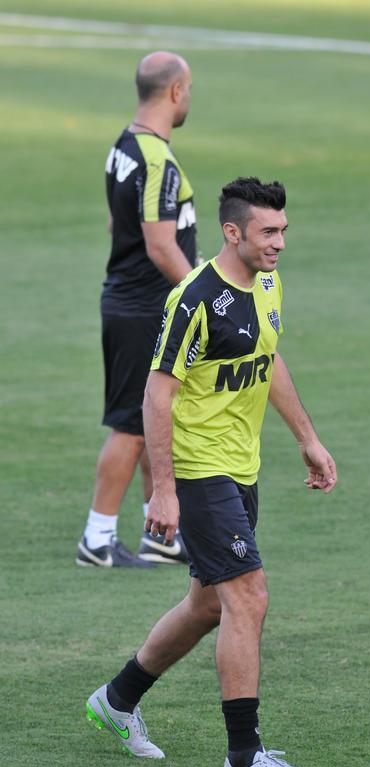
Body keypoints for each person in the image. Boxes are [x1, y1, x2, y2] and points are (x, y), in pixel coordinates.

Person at [85, 177, 337, 767]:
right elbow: (156, 393)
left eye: (282, 230)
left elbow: (267, 358)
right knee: (248, 598)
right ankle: (245, 757)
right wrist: (164, 489)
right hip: (200, 473)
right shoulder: (196, 299)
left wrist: (306, 436)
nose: (279, 242)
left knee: (206, 604)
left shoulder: (270, 283)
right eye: (267, 232)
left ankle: (115, 702)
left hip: (241, 468)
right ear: (233, 232)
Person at [76, 51, 197, 568]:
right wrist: (205, 292)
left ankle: (161, 532)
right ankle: (97, 540)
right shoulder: (156, 160)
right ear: (174, 92)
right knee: (130, 423)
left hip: (131, 302)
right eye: (188, 89)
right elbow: (160, 245)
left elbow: (114, 225)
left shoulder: (123, 146)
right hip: (143, 307)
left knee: (152, 418)